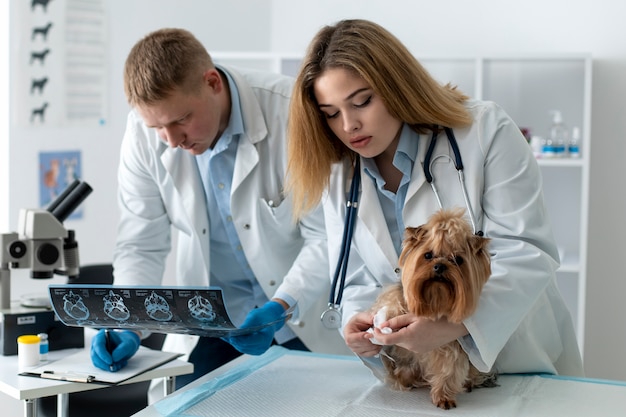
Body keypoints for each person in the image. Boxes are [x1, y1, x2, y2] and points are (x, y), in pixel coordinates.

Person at [286, 19, 584, 378]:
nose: (348, 125)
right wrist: (360, 323)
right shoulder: (341, 173)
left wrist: (455, 326)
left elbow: (527, 251)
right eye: (331, 114)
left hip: (517, 360)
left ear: (397, 85)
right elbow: (355, 278)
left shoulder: (484, 132)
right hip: (423, 378)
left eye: (362, 102)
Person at [89, 27, 349, 392]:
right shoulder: (142, 134)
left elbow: (326, 235)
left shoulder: (289, 113)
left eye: (181, 120)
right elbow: (141, 243)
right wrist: (127, 322)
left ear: (212, 83)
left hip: (298, 314)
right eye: (157, 127)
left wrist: (283, 305)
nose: (172, 140)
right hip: (211, 325)